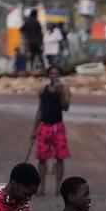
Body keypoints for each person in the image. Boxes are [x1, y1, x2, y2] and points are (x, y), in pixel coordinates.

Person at [31, 66, 71, 197]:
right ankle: (41, 187)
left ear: (59, 75)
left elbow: (65, 107)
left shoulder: (63, 89)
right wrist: (34, 129)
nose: (54, 75)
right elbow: (40, 110)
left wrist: (62, 94)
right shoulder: (43, 90)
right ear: (48, 75)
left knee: (60, 158)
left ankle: (58, 188)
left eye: (56, 73)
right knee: (42, 158)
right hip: (45, 127)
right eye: (52, 73)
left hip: (58, 127)